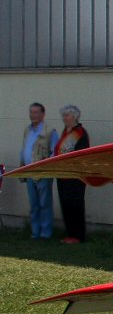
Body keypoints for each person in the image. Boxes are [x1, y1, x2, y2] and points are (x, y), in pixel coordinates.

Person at [52, 105, 91, 244]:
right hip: (62, 175)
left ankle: (78, 236)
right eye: (63, 115)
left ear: (74, 117)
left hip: (74, 176)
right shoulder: (65, 131)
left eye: (67, 115)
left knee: (75, 204)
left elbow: (81, 154)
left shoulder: (80, 133)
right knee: (65, 204)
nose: (64, 118)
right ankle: (70, 234)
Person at [20, 102, 54, 240]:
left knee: (44, 204)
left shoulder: (50, 131)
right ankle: (35, 233)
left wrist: (47, 169)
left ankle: (46, 234)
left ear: (42, 114)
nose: (32, 115)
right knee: (34, 205)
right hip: (29, 172)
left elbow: (54, 153)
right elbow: (24, 150)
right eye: (31, 112)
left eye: (35, 112)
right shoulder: (27, 130)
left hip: (43, 173)